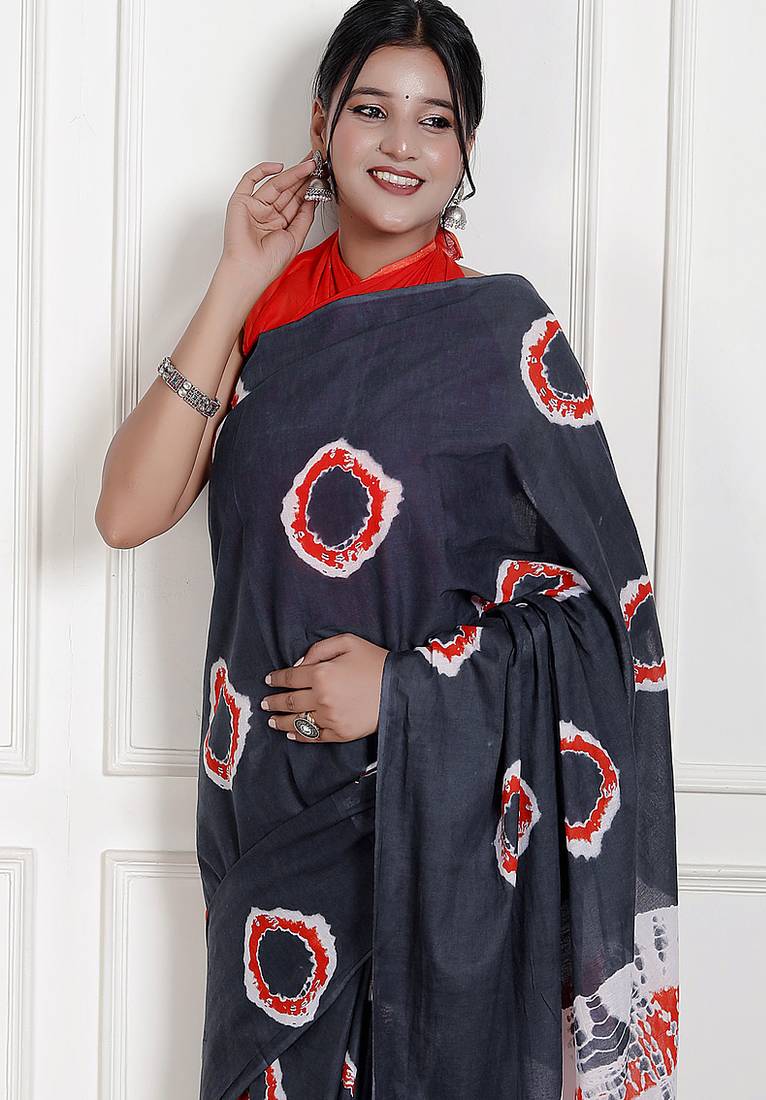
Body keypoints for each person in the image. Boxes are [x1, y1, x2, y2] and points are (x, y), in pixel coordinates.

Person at [95, 2, 680, 1098]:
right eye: (371, 109)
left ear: (465, 149)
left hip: (436, 828)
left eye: (435, 119)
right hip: (270, 821)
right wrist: (236, 276)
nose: (401, 143)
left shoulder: (498, 336)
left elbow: (602, 624)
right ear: (322, 122)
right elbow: (128, 510)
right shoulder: (265, 316)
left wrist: (405, 692)